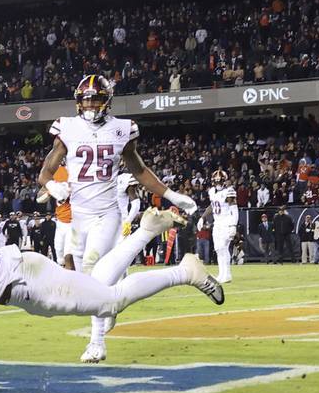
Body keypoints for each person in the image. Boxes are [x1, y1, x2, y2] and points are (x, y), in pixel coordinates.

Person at [0, 178, 221, 359]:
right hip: (21, 279)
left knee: (109, 301)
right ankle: (147, 231)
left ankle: (184, 271)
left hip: (24, 279)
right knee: (97, 285)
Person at [39, 74, 199, 363]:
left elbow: (139, 170)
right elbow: (45, 173)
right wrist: (52, 186)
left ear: (107, 101)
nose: (90, 104)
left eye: (96, 98)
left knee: (94, 275)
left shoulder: (122, 129)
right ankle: (113, 304)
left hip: (107, 213)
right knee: (84, 282)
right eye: (86, 99)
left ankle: (96, 342)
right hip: (78, 215)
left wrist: (172, 195)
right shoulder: (68, 128)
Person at [207, 170, 240, 283]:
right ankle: (222, 274)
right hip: (217, 223)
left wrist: (233, 225)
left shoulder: (229, 191)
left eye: (220, 181)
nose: (218, 184)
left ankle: (227, 274)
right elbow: (212, 206)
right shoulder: (211, 191)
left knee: (222, 247)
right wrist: (202, 217)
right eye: (216, 182)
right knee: (218, 249)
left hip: (226, 222)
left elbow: (234, 209)